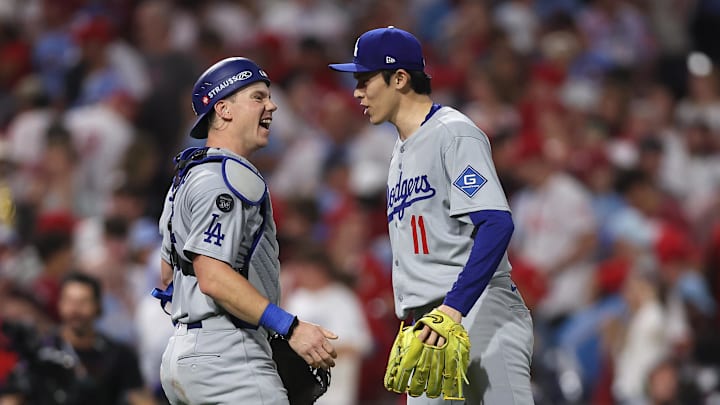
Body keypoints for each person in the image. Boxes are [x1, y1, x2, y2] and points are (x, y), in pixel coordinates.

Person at [329, 27, 534, 404]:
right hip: (427, 324)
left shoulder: (453, 133)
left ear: (400, 78)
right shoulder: (398, 153)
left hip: (477, 309)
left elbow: (496, 222)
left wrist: (453, 308)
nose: (357, 91)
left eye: (364, 79)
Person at [157, 56, 337, 404]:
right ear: (223, 109)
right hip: (227, 355)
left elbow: (167, 274)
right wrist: (290, 327)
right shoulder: (227, 178)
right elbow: (212, 276)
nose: (271, 105)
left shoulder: (188, 176)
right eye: (257, 97)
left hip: (185, 352)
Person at [0, 272, 152, 405]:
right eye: (70, 301)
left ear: (98, 307)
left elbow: (139, 397)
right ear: (60, 305)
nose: (75, 310)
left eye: (83, 302)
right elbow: (12, 397)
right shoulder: (40, 351)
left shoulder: (118, 355)